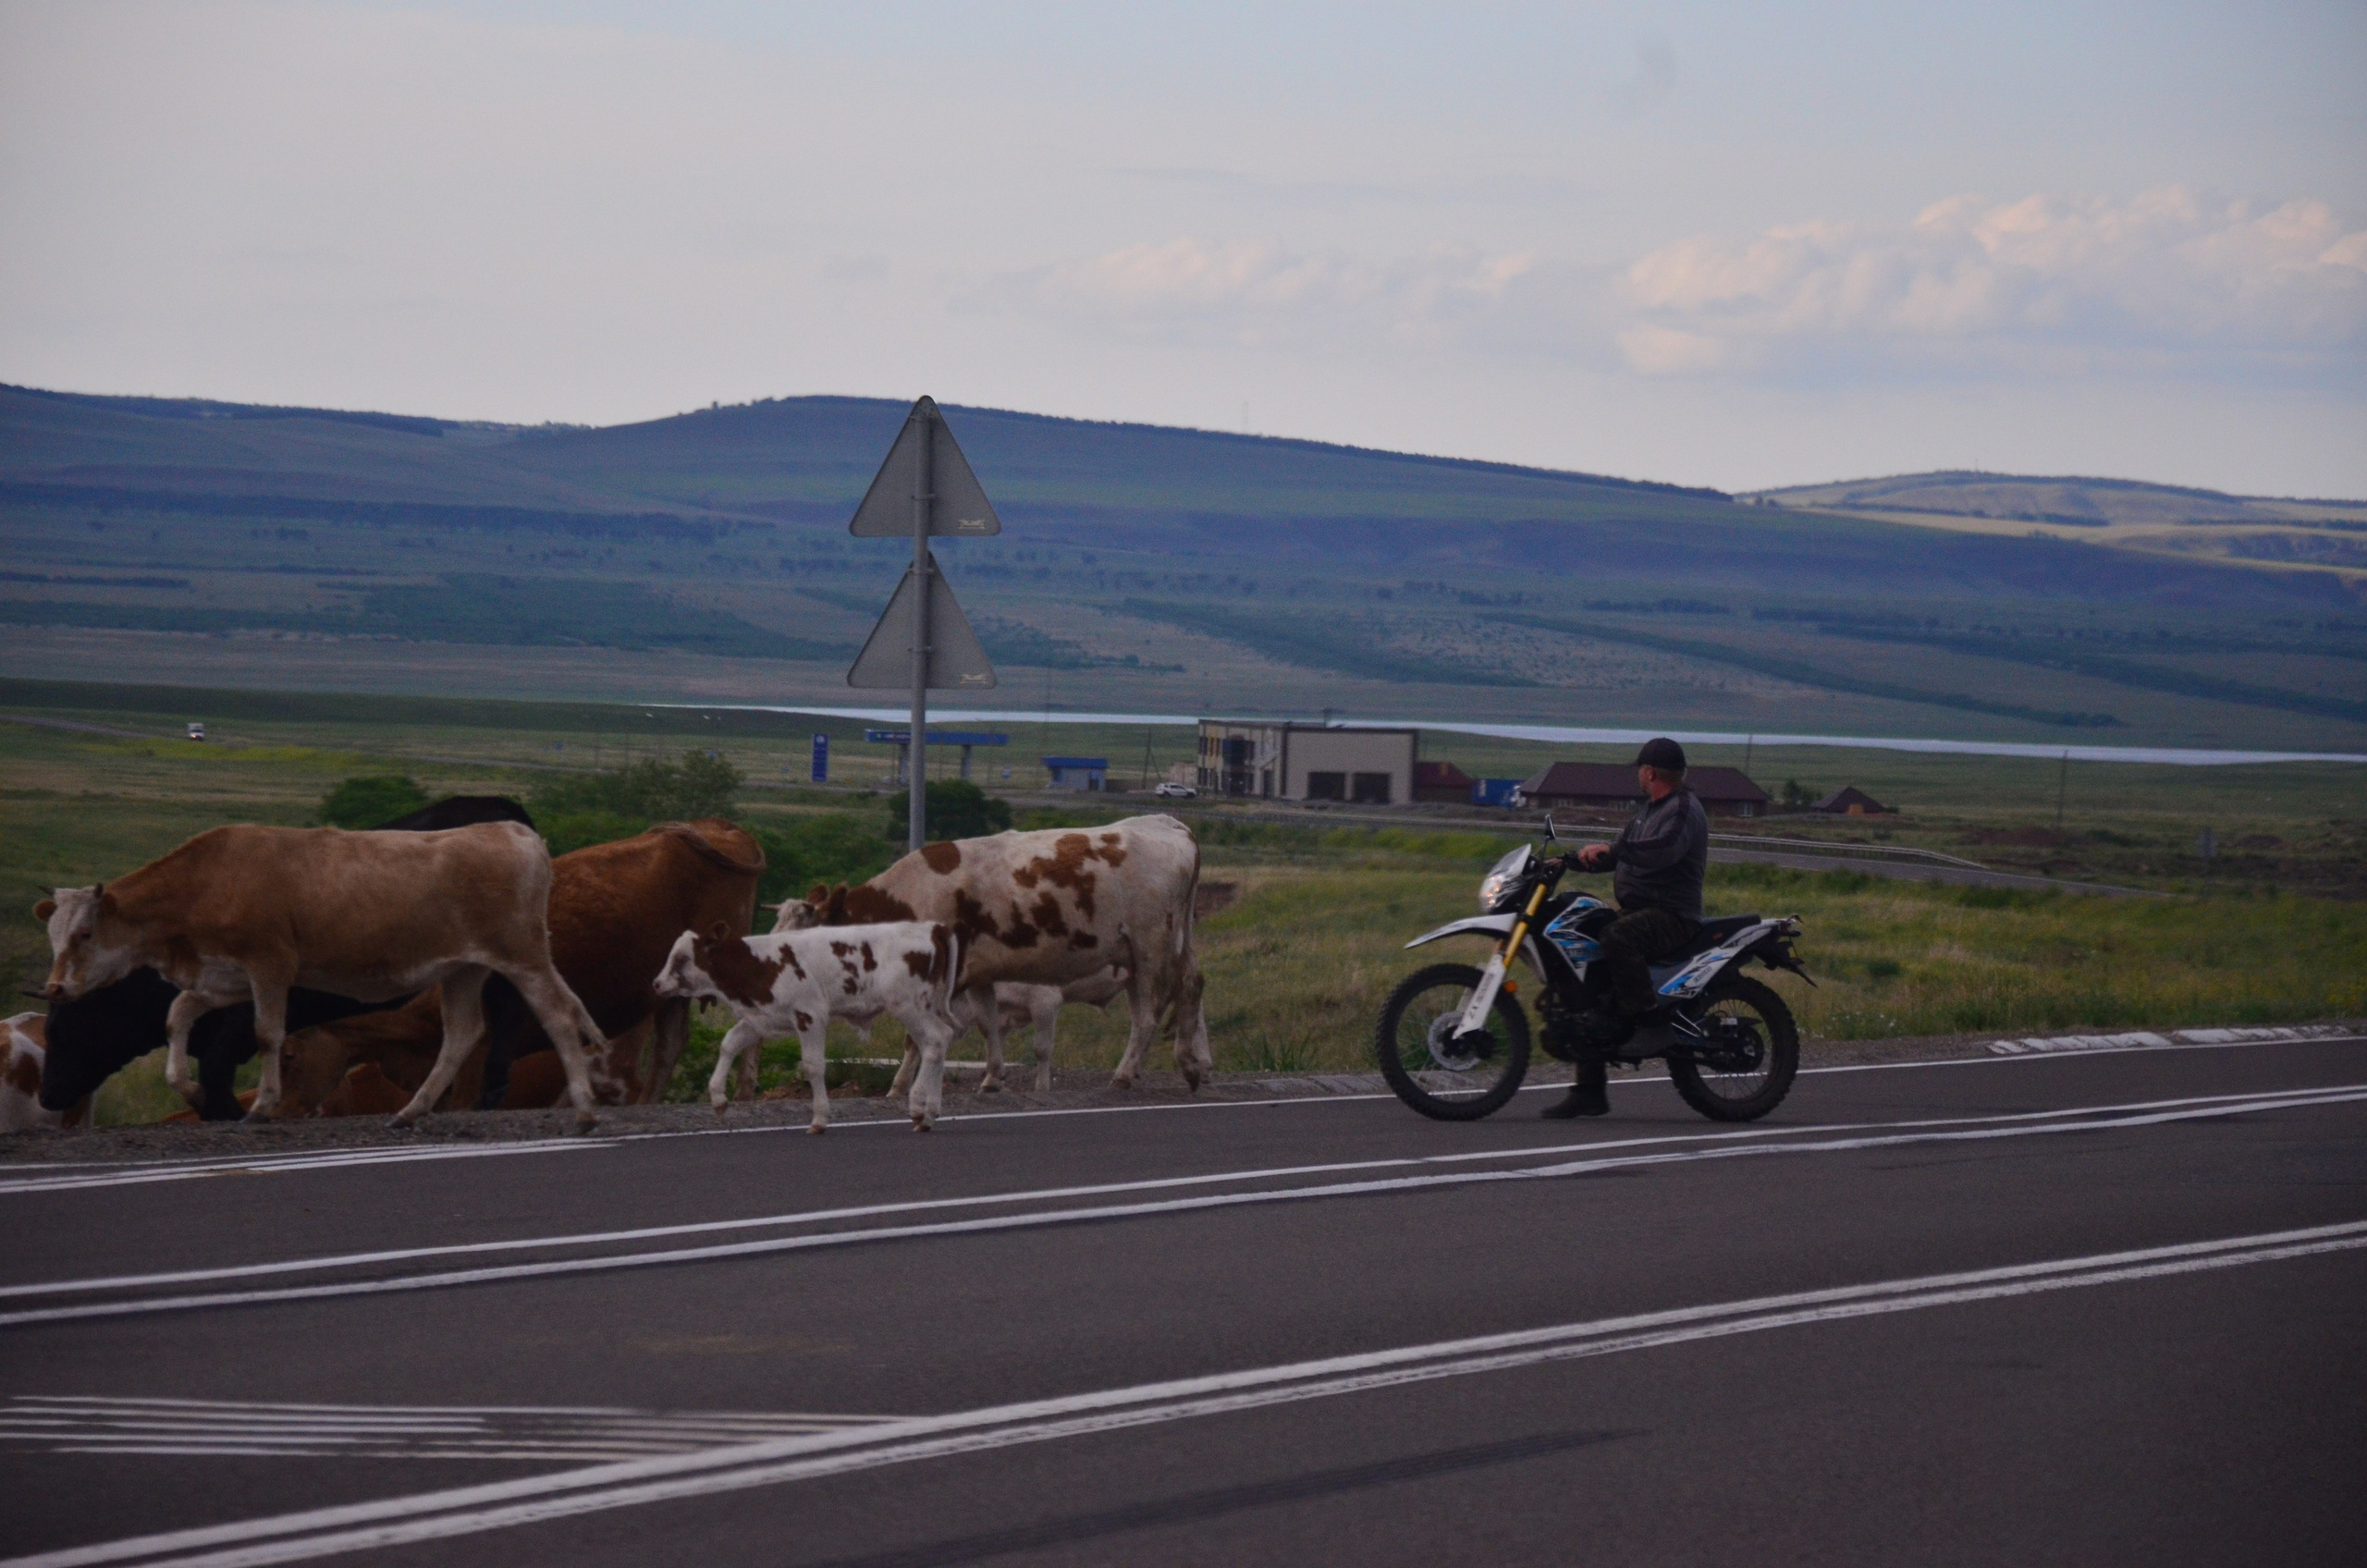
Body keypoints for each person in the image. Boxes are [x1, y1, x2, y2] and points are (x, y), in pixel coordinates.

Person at [1540, 736, 1709, 1119]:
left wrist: (1615, 852)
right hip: (1640, 909)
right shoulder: (1648, 811)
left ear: (1650, 773)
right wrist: (1568, 862)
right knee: (1585, 952)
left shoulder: (1683, 809)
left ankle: (1649, 1021)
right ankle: (1589, 1090)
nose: (1638, 775)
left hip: (1672, 915)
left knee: (1616, 935)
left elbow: (1662, 849)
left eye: (1639, 770)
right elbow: (1616, 855)